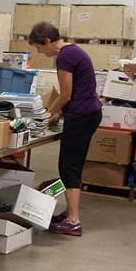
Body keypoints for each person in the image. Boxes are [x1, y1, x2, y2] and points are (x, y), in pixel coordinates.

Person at [28, 21, 102, 236]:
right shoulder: (74, 51)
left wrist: (46, 114)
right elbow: (78, 90)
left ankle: (73, 221)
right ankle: (69, 212)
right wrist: (59, 114)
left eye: (39, 47)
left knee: (69, 166)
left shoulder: (65, 56)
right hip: (88, 113)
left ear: (47, 40)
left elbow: (66, 94)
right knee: (72, 165)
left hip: (81, 116)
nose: (40, 52)